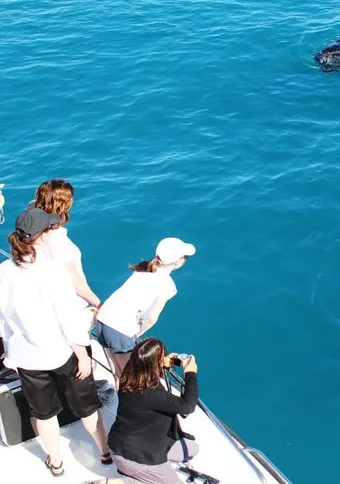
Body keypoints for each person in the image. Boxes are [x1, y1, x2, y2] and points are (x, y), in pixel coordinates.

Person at [0, 207, 111, 477]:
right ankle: (105, 453)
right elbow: (68, 318)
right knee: (87, 407)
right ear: (42, 236)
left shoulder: (4, 271)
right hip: (63, 353)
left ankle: (56, 463)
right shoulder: (53, 271)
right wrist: (82, 355)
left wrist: (10, 353)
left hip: (27, 357)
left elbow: (3, 318)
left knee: (44, 413)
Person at [94, 237, 195, 381]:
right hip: (120, 330)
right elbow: (152, 317)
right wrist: (136, 333)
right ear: (178, 261)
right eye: (184, 257)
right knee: (129, 378)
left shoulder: (142, 269)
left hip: (102, 320)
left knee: (117, 372)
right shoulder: (167, 285)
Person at [100, 338, 199, 484]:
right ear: (153, 364)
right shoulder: (153, 394)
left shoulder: (128, 375)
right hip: (137, 457)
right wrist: (190, 374)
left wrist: (163, 364)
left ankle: (134, 472)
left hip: (120, 445)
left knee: (191, 449)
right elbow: (187, 406)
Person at [33, 178, 101, 309]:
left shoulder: (30, 231)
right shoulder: (57, 241)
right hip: (67, 306)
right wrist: (99, 304)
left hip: (44, 298)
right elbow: (76, 284)